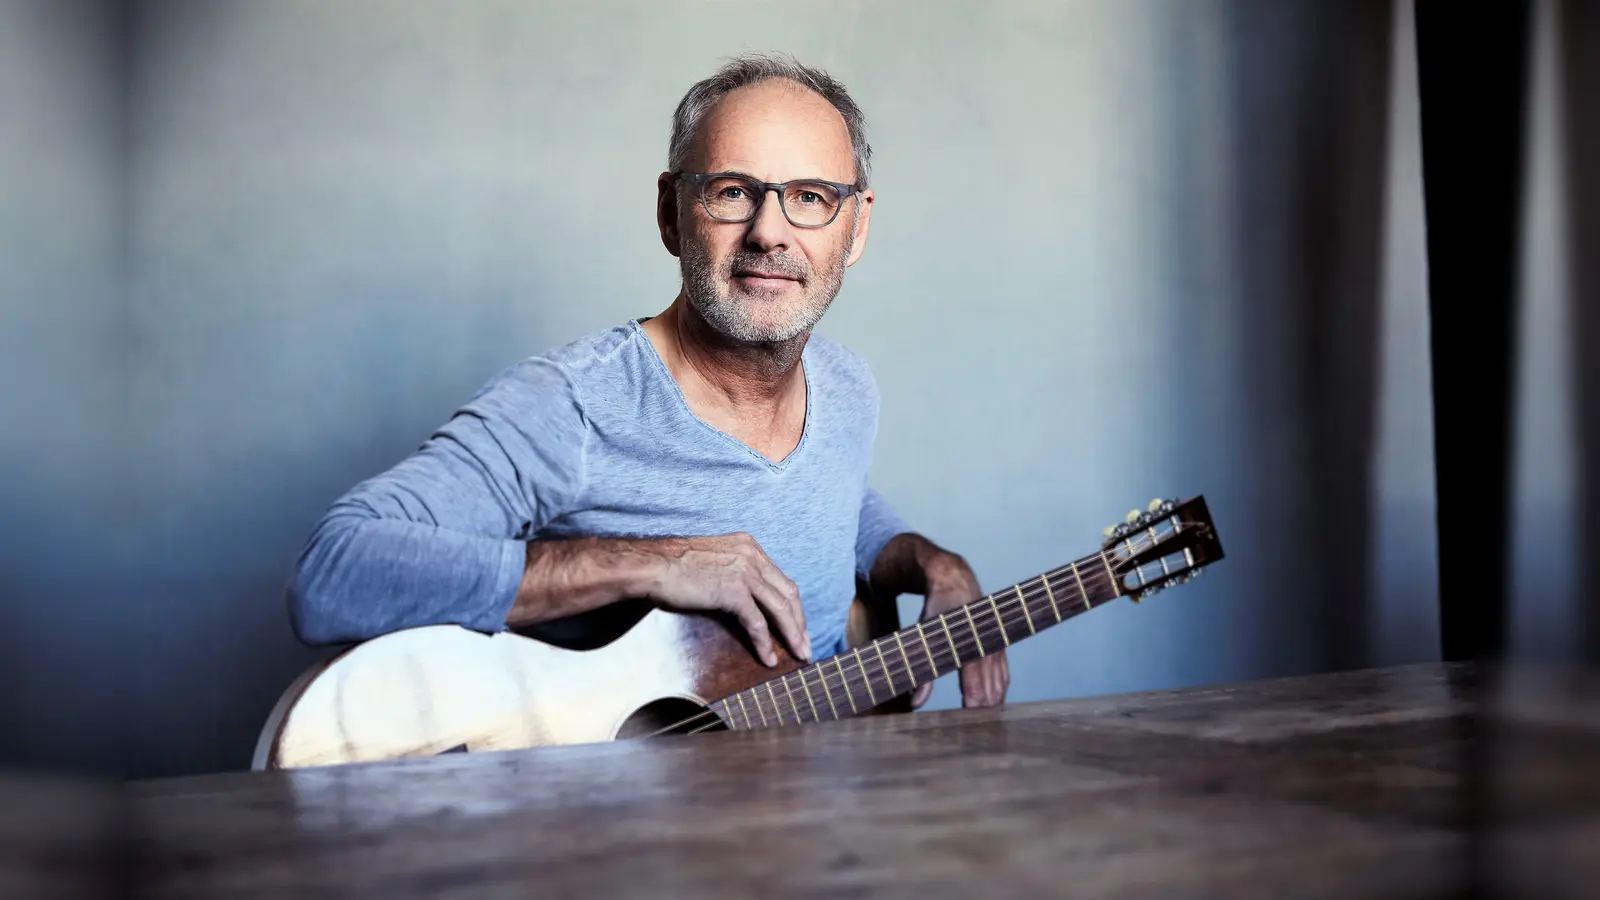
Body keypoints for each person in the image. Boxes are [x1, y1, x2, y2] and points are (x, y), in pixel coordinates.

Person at [286, 52, 1008, 710]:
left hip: (812, 824)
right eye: (731, 192)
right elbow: (332, 575)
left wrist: (929, 562)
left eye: (812, 198)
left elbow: (832, 503)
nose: (768, 232)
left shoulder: (848, 388)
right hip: (626, 832)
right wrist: (652, 563)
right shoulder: (573, 405)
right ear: (671, 213)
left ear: (855, 229)